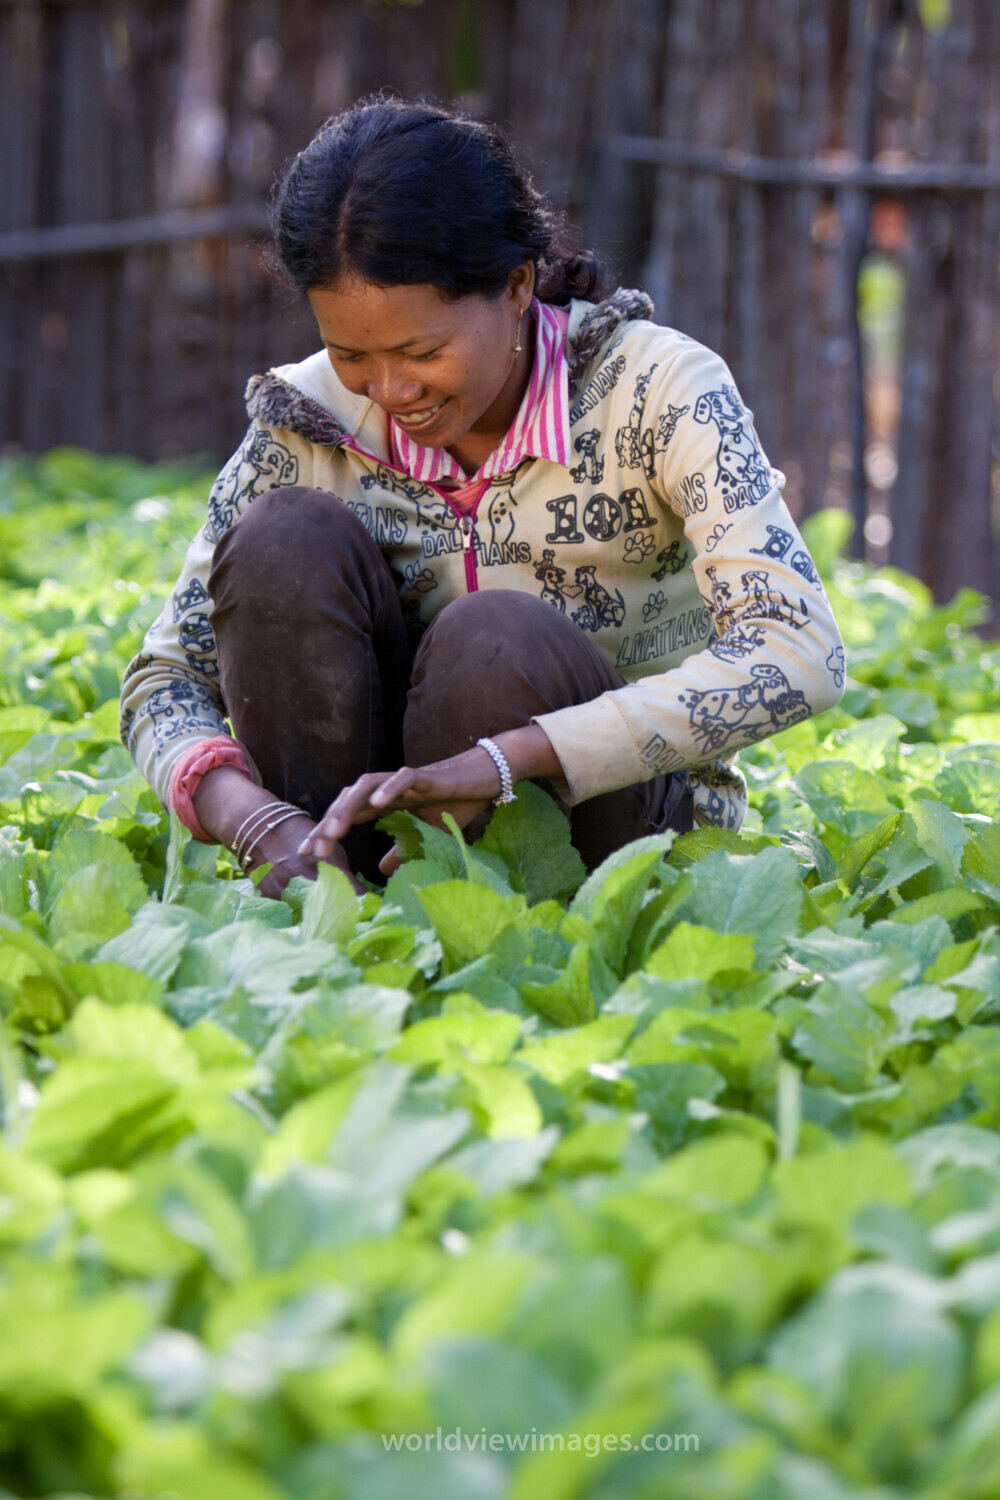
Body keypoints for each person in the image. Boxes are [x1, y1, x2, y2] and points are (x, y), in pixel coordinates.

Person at [120, 96, 845, 898]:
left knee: (494, 641)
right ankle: (332, 891)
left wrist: (510, 759)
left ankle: (491, 904)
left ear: (516, 285)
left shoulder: (659, 389)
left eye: (422, 351)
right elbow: (164, 678)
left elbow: (799, 649)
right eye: (352, 354)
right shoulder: (306, 418)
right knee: (281, 538)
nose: (391, 390)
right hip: (352, 834)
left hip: (614, 833)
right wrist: (255, 820)